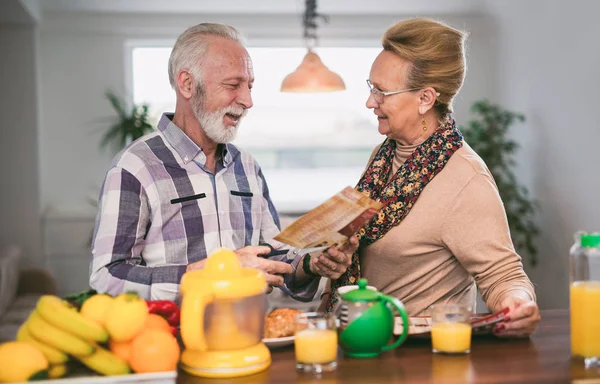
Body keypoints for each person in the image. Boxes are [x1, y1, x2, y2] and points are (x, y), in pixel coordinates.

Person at [90, 23, 358, 301]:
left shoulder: (248, 167)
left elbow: (274, 257)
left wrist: (311, 264)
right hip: (172, 339)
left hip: (249, 333)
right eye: (233, 85)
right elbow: (107, 276)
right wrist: (209, 274)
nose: (247, 100)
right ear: (187, 83)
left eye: (249, 86)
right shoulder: (135, 166)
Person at [320, 18, 540, 338]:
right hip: (361, 339)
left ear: (425, 99)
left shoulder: (466, 178)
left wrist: (518, 305)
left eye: (382, 92)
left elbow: (504, 275)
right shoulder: (383, 158)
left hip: (415, 357)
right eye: (371, 87)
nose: (370, 102)